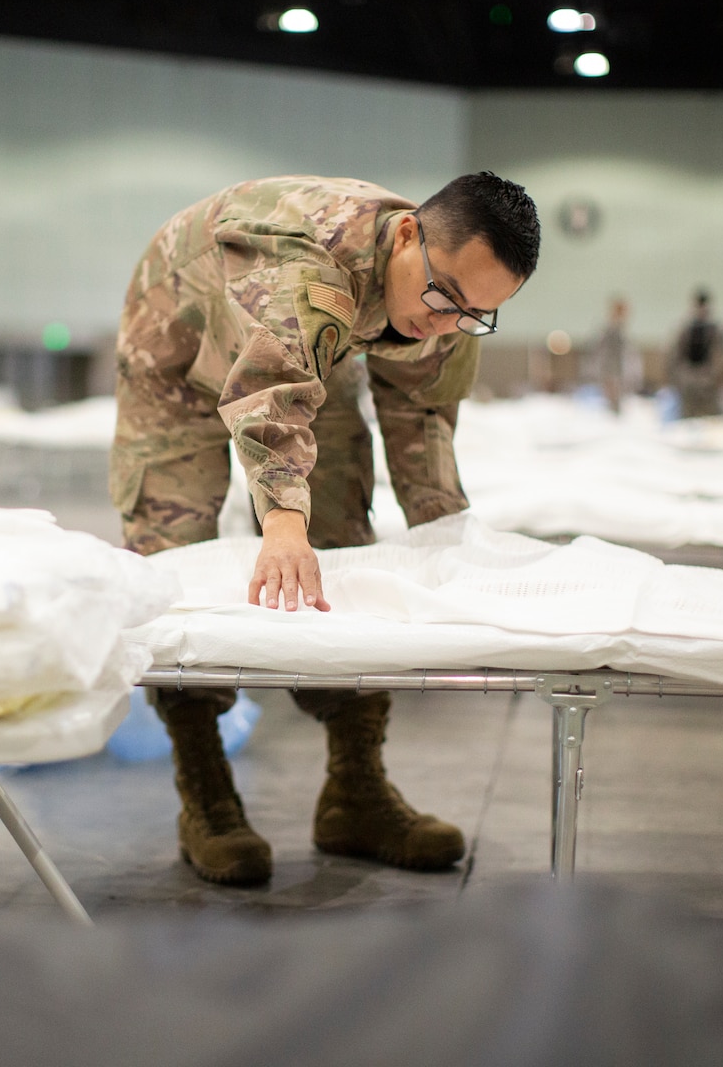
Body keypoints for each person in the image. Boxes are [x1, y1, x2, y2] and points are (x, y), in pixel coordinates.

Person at [111, 173, 540, 885]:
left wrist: (448, 545)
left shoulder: (449, 293)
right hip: (179, 340)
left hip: (310, 345)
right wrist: (281, 520)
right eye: (444, 298)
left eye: (475, 314)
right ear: (408, 235)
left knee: (343, 547)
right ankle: (206, 793)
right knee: (174, 557)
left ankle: (355, 790)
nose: (448, 321)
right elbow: (270, 393)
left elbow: (423, 419)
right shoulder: (306, 268)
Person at [671, 288, 723, 419]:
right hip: (689, 376)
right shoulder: (686, 327)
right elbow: (677, 353)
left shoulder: (715, 328)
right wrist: (678, 377)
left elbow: (721, 354)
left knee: (709, 416)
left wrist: (719, 376)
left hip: (708, 377)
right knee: (688, 415)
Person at [590, 296, 637, 413]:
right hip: (611, 369)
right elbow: (603, 351)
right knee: (612, 398)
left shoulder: (619, 328)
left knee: (615, 400)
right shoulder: (611, 328)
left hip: (616, 370)